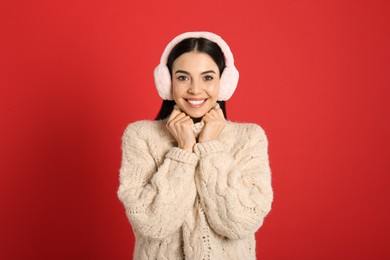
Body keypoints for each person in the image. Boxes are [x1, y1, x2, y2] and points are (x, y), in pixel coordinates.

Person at [117, 31, 273, 259]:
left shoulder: (249, 138)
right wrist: (183, 151)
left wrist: (211, 147)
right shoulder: (140, 136)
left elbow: (240, 222)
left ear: (224, 83)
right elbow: (153, 224)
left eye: (207, 77)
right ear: (167, 82)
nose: (195, 89)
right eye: (183, 77)